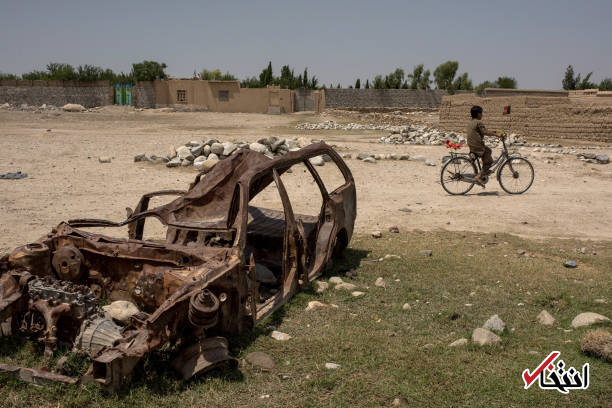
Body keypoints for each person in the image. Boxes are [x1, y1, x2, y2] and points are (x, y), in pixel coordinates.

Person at [467, 105, 503, 187]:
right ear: (478, 114)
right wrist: (497, 135)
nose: (482, 115)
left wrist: (494, 131)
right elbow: (485, 132)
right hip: (478, 146)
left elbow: (483, 130)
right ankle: (479, 176)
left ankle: (483, 171)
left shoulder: (471, 122)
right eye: (481, 113)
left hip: (472, 145)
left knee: (489, 151)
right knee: (489, 161)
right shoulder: (479, 122)